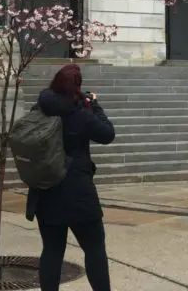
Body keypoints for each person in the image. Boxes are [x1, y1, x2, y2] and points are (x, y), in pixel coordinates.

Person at [26, 64, 116, 291]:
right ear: (76, 88)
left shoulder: (39, 109)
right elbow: (107, 134)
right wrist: (94, 104)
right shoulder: (80, 115)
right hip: (78, 193)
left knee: (52, 251)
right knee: (95, 248)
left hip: (45, 191)